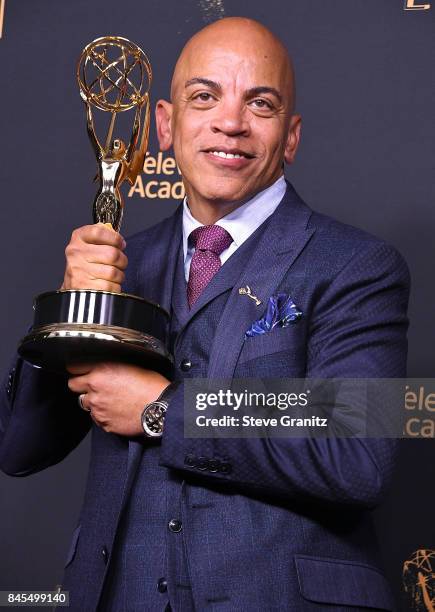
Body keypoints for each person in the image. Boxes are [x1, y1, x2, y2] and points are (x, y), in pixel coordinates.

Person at [0, 17, 409, 612]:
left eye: (260, 104)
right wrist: (70, 304)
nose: (230, 123)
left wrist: (164, 409)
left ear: (290, 137)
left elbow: (360, 454)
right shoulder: (122, 263)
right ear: (166, 125)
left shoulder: (359, 265)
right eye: (204, 96)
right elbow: (18, 450)